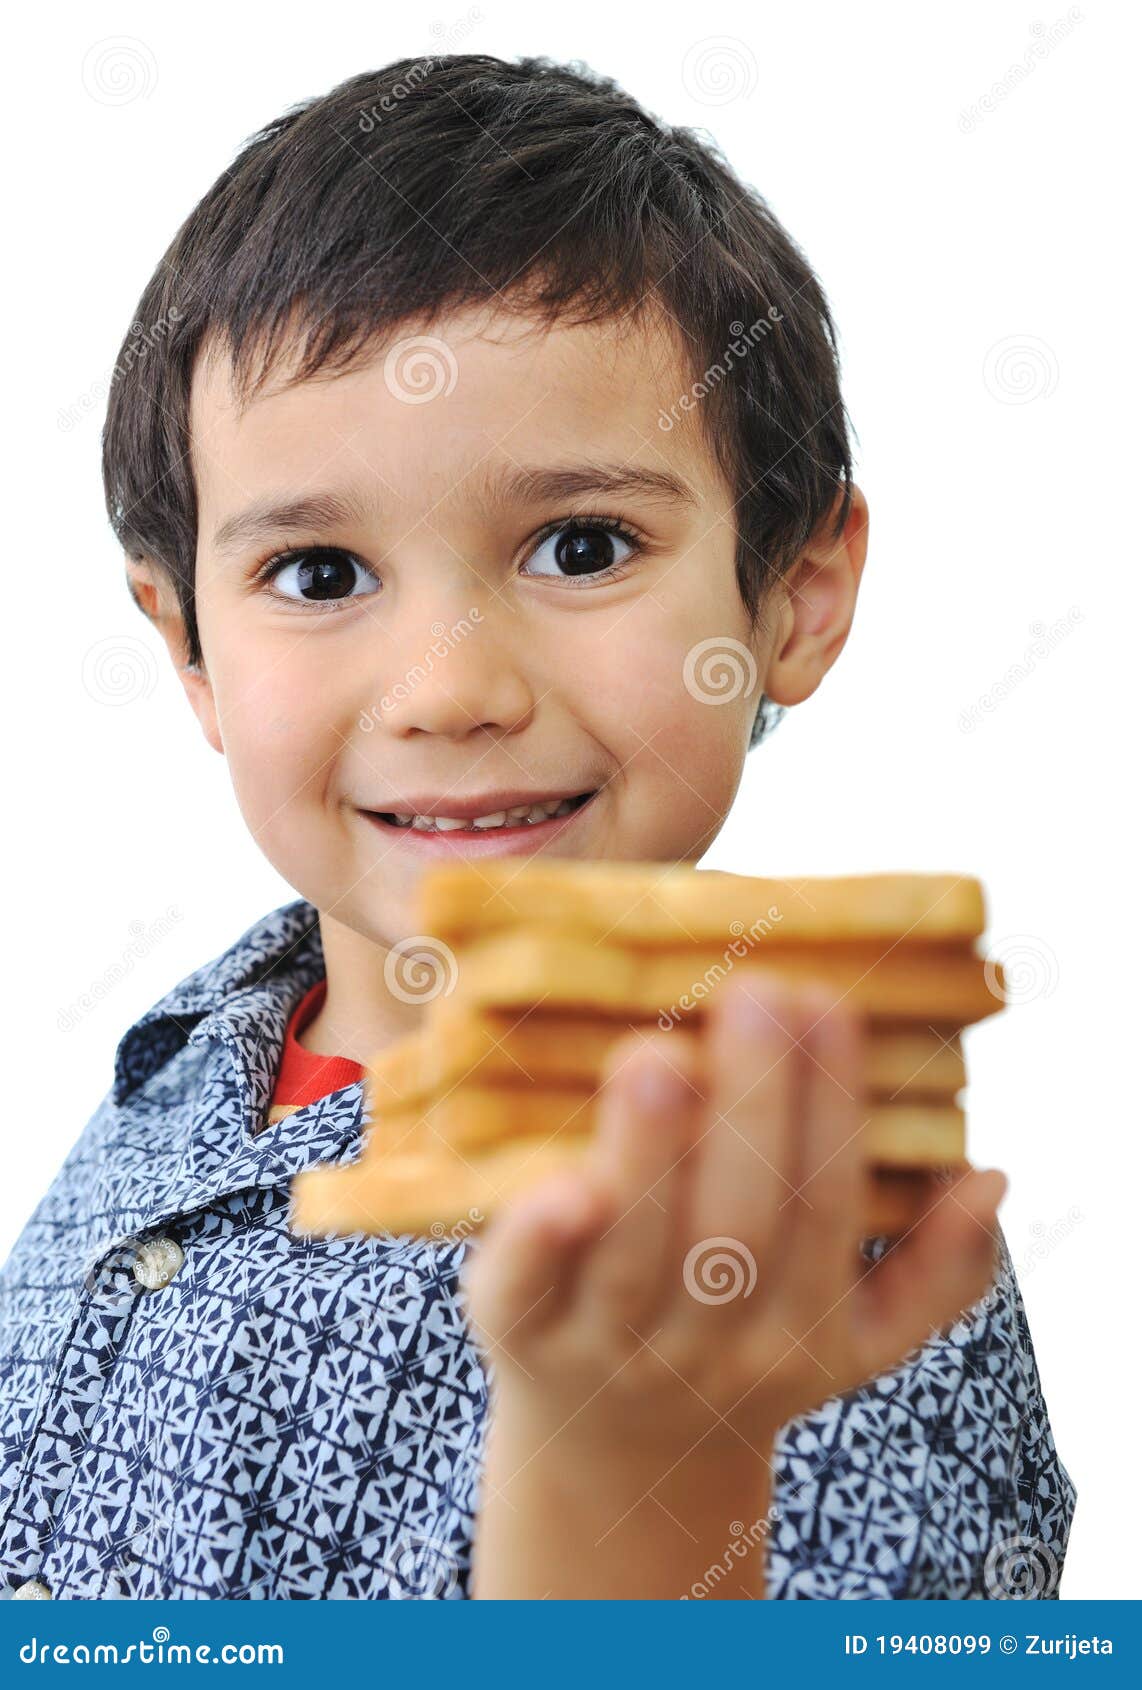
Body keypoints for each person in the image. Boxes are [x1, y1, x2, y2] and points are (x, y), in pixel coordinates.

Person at [0, 52, 1074, 1599]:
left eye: (581, 545)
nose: (449, 691)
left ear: (792, 598)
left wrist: (625, 1482)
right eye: (316, 574)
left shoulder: (787, 1207)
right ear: (186, 647)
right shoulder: (180, 1071)